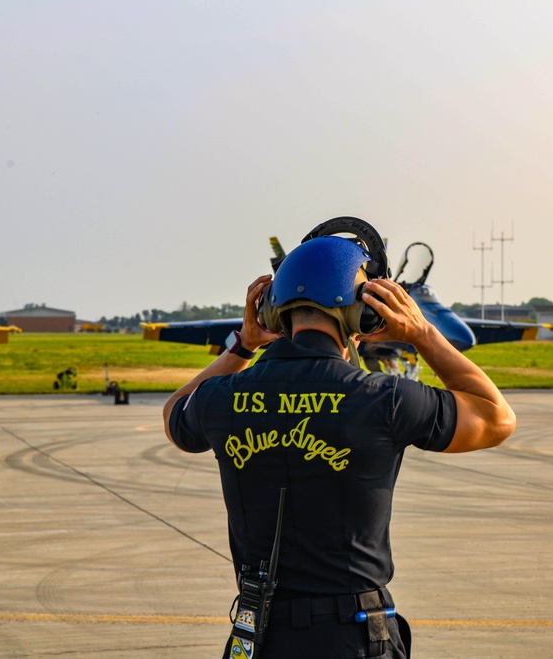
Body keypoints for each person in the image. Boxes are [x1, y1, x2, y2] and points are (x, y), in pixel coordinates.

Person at [162, 227, 515, 658]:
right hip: (352, 636)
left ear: (272, 311)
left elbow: (175, 413)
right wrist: (422, 333)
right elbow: (496, 418)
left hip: (257, 638)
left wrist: (241, 345)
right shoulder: (384, 399)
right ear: (361, 313)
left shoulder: (219, 399)